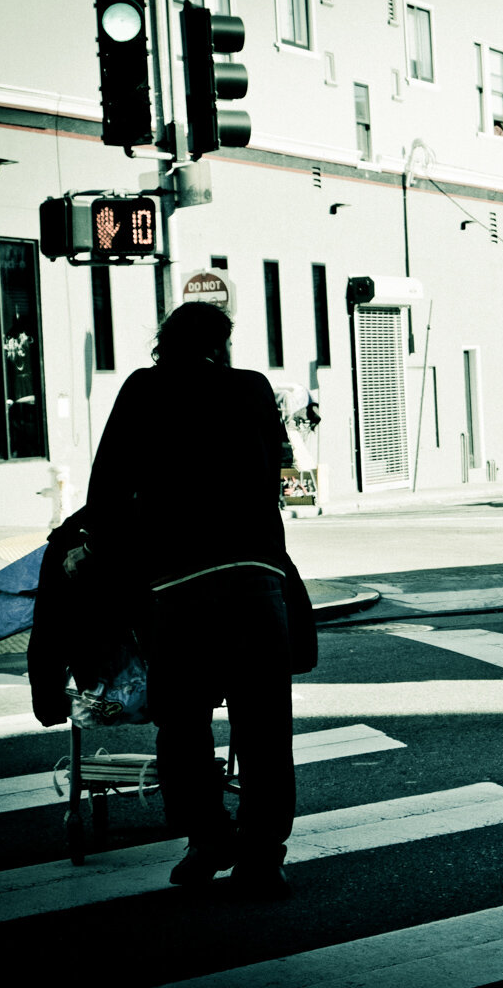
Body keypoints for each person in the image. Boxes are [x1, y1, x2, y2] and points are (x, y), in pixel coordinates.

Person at [75, 301, 305, 895]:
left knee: (181, 725)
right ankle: (262, 855)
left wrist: (100, 558)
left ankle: (207, 838)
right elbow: (276, 468)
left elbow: (106, 493)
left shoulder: (143, 390)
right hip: (257, 579)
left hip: (178, 591)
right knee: (263, 728)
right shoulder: (252, 389)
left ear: (164, 342)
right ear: (222, 343)